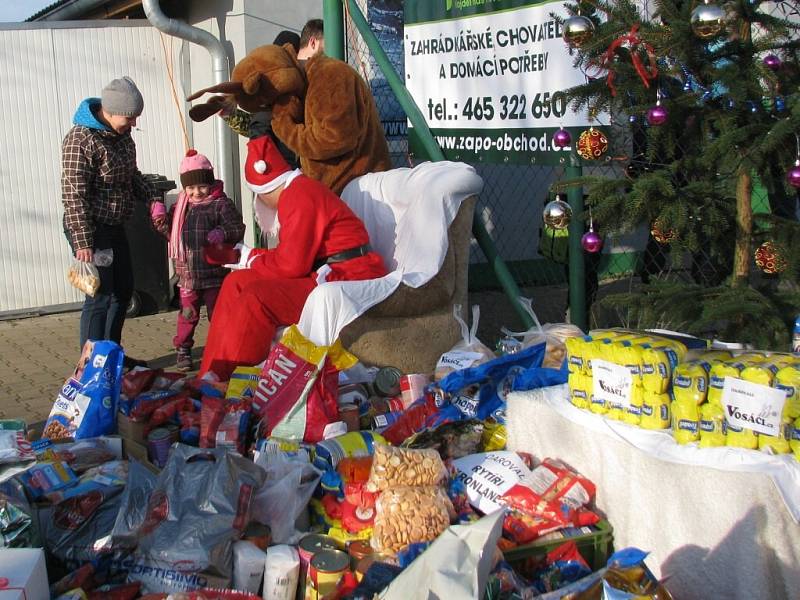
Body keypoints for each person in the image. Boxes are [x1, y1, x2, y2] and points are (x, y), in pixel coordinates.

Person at [198, 135, 388, 381]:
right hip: (328, 271)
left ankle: (231, 382)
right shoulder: (298, 192)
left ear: (262, 190)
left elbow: (291, 265)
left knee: (256, 299)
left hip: (347, 276)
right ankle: (210, 373)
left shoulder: (299, 198)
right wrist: (246, 256)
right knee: (236, 283)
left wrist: (249, 259)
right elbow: (293, 255)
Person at [61, 76, 159, 368]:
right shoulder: (81, 139)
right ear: (111, 111)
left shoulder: (122, 136)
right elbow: (73, 193)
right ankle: (90, 362)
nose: (132, 124)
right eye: (129, 117)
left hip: (115, 225)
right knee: (101, 297)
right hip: (91, 227)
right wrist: (83, 240)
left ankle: (111, 354)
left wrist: (153, 197)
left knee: (123, 290)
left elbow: (132, 176)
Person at [149, 150, 245, 371]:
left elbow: (236, 226)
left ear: (210, 184)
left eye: (202, 186)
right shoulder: (182, 208)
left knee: (219, 315)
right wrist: (158, 217)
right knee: (187, 315)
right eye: (191, 188)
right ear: (185, 188)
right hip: (188, 276)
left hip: (214, 274)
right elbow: (169, 233)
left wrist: (222, 232)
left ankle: (224, 348)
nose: (197, 192)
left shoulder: (221, 204)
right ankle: (183, 349)